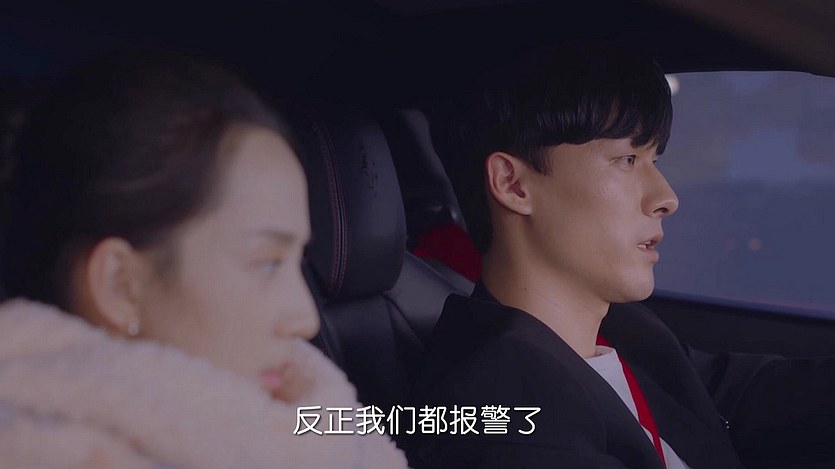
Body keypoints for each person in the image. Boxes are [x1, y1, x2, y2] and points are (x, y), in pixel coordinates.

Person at [404, 45, 835, 468]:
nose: (666, 198)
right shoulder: (509, 415)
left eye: (652, 160)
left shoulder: (623, 331)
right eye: (627, 159)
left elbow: (746, 394)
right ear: (513, 184)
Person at [0, 51, 408, 469]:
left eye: (297, 262)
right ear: (121, 285)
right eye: (267, 263)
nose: (307, 320)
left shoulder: (320, 424)